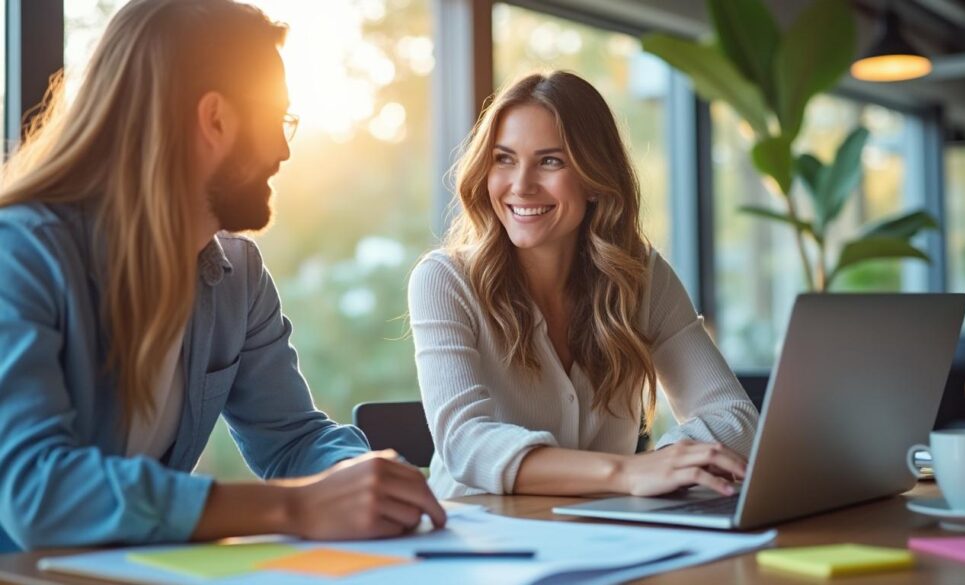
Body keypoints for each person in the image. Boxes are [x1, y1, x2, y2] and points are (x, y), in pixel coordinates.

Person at [0, 0, 444, 551]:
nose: (284, 150)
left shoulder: (238, 274)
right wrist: (298, 506)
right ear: (215, 120)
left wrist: (368, 482)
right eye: (277, 120)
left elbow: (292, 439)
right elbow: (36, 492)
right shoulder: (18, 255)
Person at [408, 71, 759, 499]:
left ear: (594, 178)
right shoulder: (445, 280)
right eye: (504, 159)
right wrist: (629, 472)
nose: (521, 185)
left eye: (550, 161)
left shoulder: (640, 277)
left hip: (607, 538)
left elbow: (735, 417)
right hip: (480, 544)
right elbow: (467, 444)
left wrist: (667, 463)